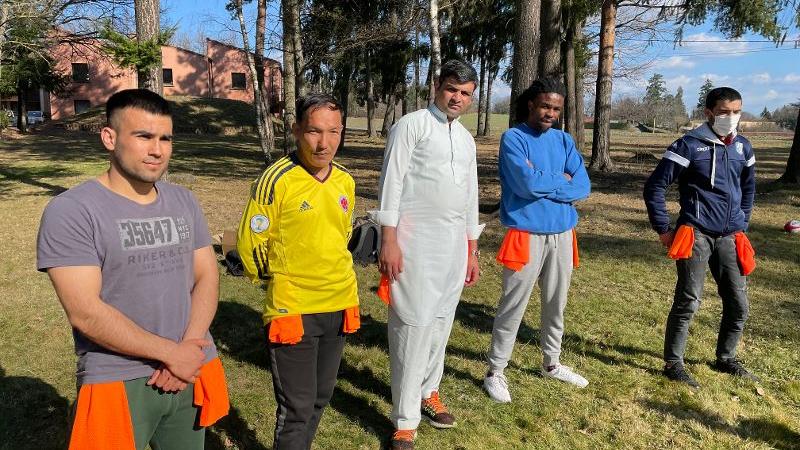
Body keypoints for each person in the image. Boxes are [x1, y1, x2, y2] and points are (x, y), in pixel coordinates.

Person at [37, 89, 229, 450]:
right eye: (143, 136)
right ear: (109, 138)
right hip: (118, 376)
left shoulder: (183, 200)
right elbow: (85, 312)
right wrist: (170, 354)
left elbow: (206, 276)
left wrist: (188, 348)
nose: (157, 150)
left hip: (190, 366)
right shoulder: (73, 211)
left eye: (165, 138)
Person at [370, 60, 484, 450]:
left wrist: (471, 250)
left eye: (465, 93)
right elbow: (391, 183)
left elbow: (470, 197)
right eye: (452, 88)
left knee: (440, 325)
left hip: (453, 247)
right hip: (414, 244)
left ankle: (428, 392)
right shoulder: (411, 126)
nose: (457, 98)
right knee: (412, 327)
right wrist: (389, 240)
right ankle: (405, 421)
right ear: (437, 85)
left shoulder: (466, 139)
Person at [237, 93, 360, 450]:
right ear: (295, 131)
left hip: (339, 303)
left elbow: (343, 235)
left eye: (333, 132)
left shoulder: (345, 181)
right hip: (293, 308)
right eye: (314, 131)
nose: (324, 143)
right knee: (297, 408)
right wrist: (279, 280)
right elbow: (251, 244)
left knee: (320, 398)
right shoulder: (276, 179)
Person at [483, 77, 591, 404]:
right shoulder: (514, 138)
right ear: (531, 104)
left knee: (556, 302)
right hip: (525, 234)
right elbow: (525, 185)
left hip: (563, 233)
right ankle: (495, 370)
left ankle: (552, 363)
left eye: (556, 109)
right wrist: (561, 179)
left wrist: (545, 181)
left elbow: (582, 186)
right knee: (513, 304)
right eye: (545, 106)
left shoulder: (564, 140)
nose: (550, 114)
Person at [643, 87, 757, 388]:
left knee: (738, 302)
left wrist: (742, 221)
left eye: (736, 111)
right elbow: (655, 187)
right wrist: (663, 229)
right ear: (709, 113)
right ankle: (674, 363)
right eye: (724, 112)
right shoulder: (689, 145)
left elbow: (748, 189)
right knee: (688, 300)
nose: (731, 117)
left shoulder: (743, 147)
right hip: (695, 234)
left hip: (731, 236)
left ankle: (726, 358)